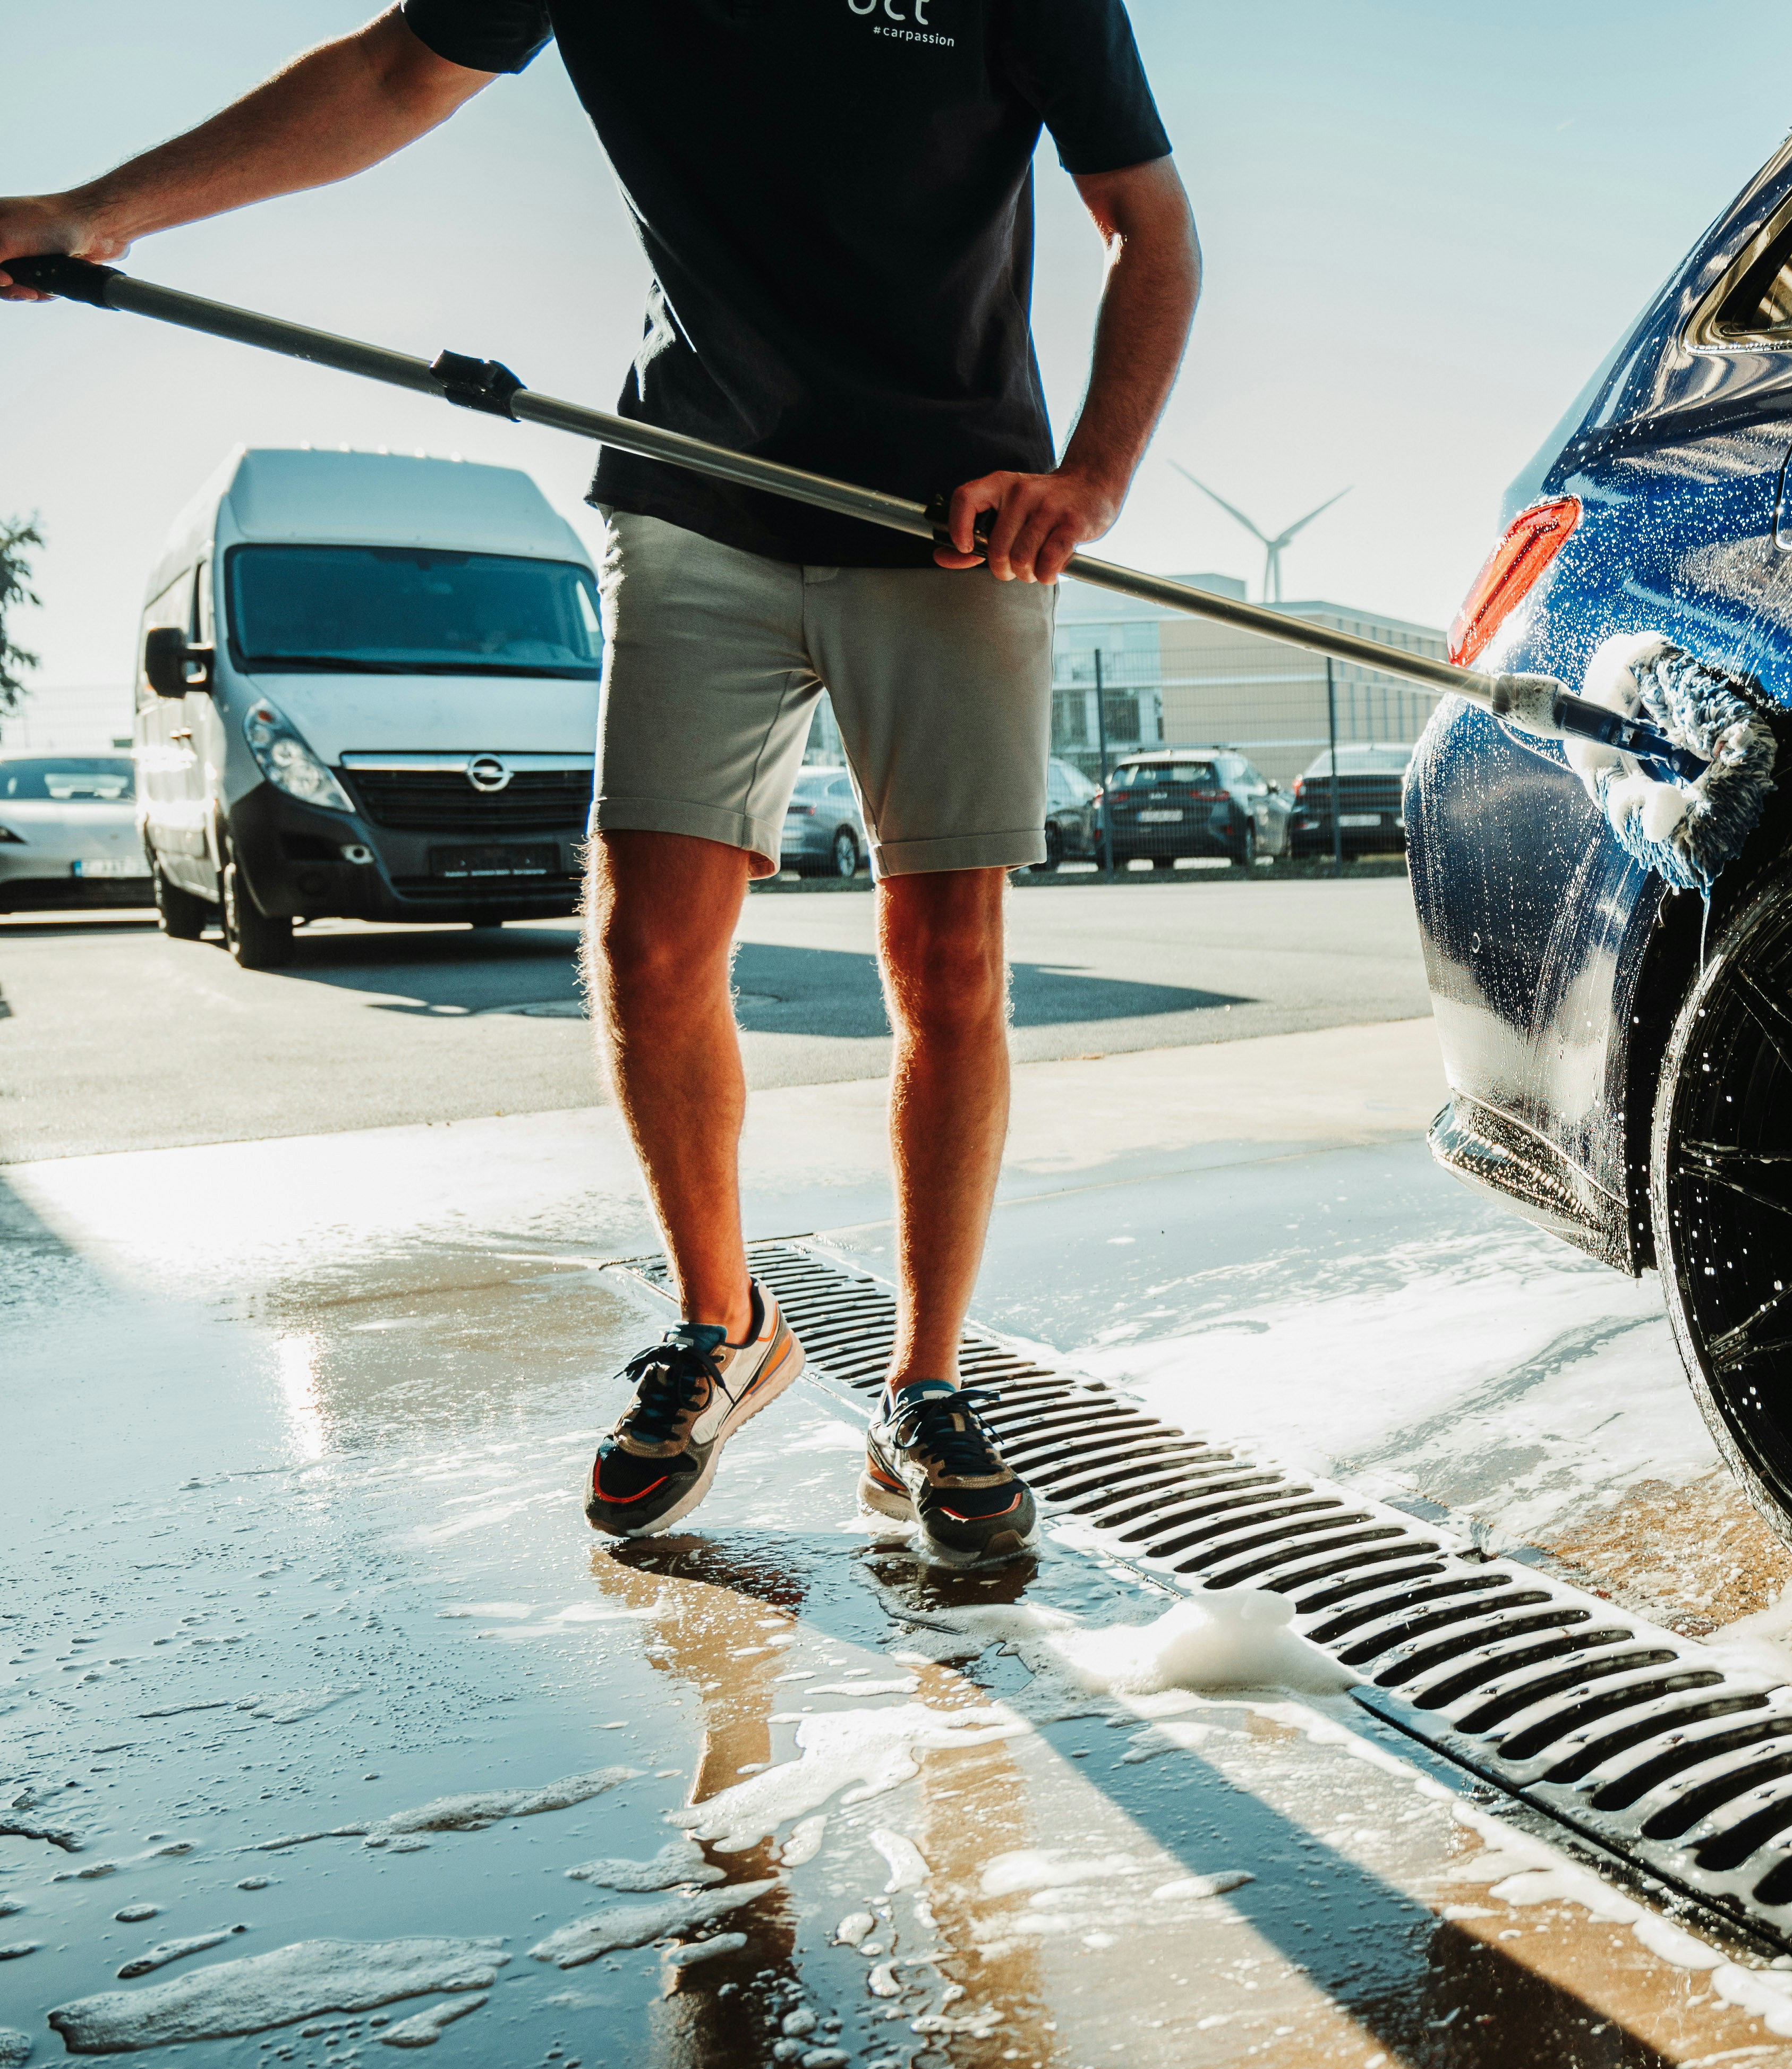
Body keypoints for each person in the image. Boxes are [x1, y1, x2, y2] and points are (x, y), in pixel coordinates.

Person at [1, 2, 1200, 1568]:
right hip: (698, 489)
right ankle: (724, 1326)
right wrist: (92, 214)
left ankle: (924, 1388)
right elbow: (394, 74)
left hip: (953, 516)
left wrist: (1093, 474)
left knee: (949, 960)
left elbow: (1149, 221)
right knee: (648, 945)